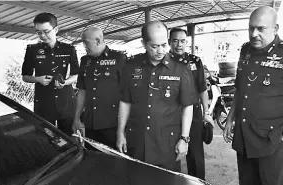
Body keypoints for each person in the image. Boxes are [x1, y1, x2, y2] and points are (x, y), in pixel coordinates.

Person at [222, 6, 283, 185]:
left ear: (275, 28)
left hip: (271, 141)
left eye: (261, 29)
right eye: (251, 28)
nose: (254, 33)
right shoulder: (246, 51)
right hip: (245, 138)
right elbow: (240, 89)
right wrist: (230, 118)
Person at [116, 21, 195, 172]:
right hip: (138, 141)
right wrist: (120, 133)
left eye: (164, 45)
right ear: (143, 43)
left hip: (168, 143)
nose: (160, 50)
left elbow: (187, 105)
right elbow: (125, 102)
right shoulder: (131, 66)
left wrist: (184, 138)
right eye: (154, 46)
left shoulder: (180, 67)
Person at [22, 13, 79, 136]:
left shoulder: (69, 49)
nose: (42, 35)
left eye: (46, 31)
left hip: (66, 102)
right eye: (38, 32)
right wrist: (38, 79)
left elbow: (76, 75)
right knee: (46, 139)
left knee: (69, 138)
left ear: (56, 29)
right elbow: (25, 76)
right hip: (43, 102)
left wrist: (65, 82)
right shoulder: (32, 50)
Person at [168, 27, 214, 180]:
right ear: (169, 42)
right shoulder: (164, 61)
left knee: (195, 154)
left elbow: (202, 88)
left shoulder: (195, 61)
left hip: (194, 113)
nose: (179, 44)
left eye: (182, 41)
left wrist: (206, 113)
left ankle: (198, 182)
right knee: (170, 152)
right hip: (171, 113)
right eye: (175, 41)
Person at [72, 27, 127, 149]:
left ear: (97, 41)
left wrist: (123, 130)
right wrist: (76, 118)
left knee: (116, 163)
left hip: (112, 125)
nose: (84, 46)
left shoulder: (119, 59)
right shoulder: (84, 61)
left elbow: (127, 95)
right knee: (93, 160)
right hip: (90, 124)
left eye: (86, 42)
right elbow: (82, 91)